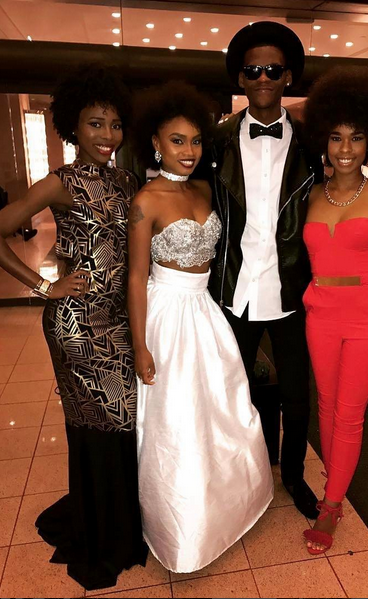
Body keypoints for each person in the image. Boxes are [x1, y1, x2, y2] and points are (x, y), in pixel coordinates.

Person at [209, 21, 368, 521]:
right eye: (253, 70)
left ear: (288, 76)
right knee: (231, 393)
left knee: (297, 398)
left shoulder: (314, 142)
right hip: (233, 289)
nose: (263, 78)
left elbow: (341, 200)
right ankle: (241, 478)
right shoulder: (216, 142)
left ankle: (293, 474)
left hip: (294, 291)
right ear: (240, 78)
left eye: (273, 69)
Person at [0, 64, 148, 590]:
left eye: (114, 124)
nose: (107, 136)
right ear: (73, 127)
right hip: (78, 324)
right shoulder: (59, 182)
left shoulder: (128, 181)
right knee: (100, 423)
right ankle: (101, 535)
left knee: (123, 420)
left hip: (120, 321)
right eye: (95, 124)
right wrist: (45, 286)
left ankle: (116, 524)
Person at [127, 81, 273, 574]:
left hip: (205, 312)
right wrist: (140, 345)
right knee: (177, 420)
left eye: (194, 141)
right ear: (155, 142)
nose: (188, 151)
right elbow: (136, 276)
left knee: (223, 409)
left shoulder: (205, 189)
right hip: (167, 314)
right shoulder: (146, 199)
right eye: (176, 141)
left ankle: (228, 506)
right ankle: (180, 529)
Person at [301, 66, 368, 554]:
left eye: (356, 137)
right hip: (320, 312)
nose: (345, 148)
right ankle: (336, 476)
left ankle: (331, 506)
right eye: (336, 137)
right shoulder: (310, 196)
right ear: (324, 141)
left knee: (349, 413)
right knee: (326, 405)